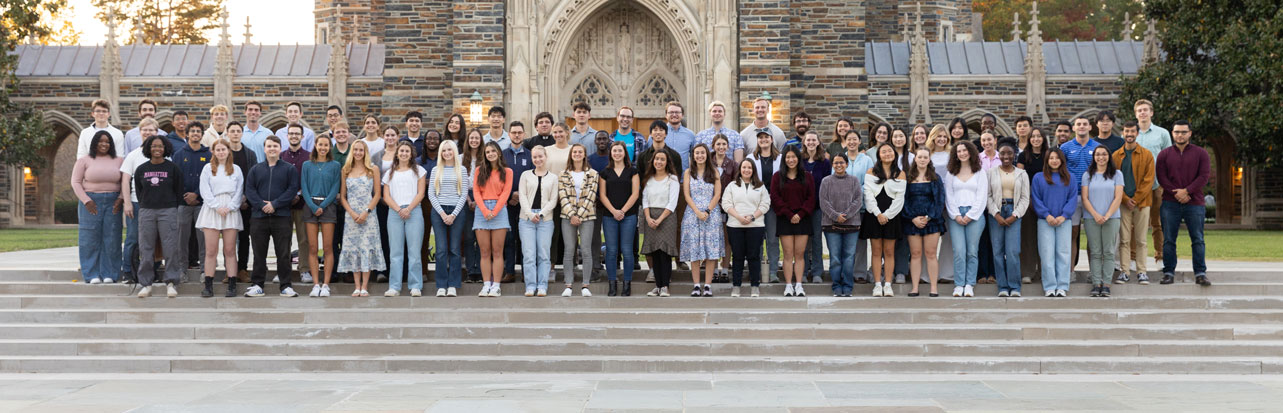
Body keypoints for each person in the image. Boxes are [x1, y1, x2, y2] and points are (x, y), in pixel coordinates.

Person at [244, 136, 301, 298]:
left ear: (280, 148)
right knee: (258, 253)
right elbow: (250, 191)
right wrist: (263, 205)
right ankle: (257, 285)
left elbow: (291, 190)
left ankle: (285, 286)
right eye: (269, 146)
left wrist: (275, 204)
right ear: (264, 149)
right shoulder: (255, 169)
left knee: (283, 253)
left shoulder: (289, 169)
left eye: (275, 146)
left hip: (281, 216)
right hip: (259, 217)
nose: (272, 149)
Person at [1156, 120, 1210, 286]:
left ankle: (1200, 273)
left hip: (1195, 203)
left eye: (1183, 132)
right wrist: (1177, 193)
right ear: (1172, 133)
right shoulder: (1164, 154)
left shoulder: (1201, 153)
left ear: (1190, 133)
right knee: (1169, 240)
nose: (1180, 135)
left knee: (1198, 239)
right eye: (1177, 132)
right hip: (1169, 203)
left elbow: (1204, 176)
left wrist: (1187, 191)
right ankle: (1168, 272)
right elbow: (1161, 177)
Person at [133, 135, 185, 298]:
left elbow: (179, 191)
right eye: (154, 146)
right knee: (146, 248)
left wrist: (171, 207)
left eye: (160, 146)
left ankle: (171, 282)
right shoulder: (141, 169)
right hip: (147, 211)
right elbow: (140, 191)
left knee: (170, 248)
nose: (157, 149)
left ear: (165, 148)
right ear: (148, 148)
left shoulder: (173, 168)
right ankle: (146, 284)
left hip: (168, 210)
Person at [72, 131, 124, 285]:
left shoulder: (119, 161)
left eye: (107, 142)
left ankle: (110, 273)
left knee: (112, 237)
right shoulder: (84, 161)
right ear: (94, 143)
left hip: (113, 201)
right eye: (101, 141)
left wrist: (120, 198)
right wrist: (86, 200)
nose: (104, 144)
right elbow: (75, 182)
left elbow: (125, 181)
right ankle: (91, 274)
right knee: (89, 238)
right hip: (90, 202)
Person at [195, 139, 243, 297]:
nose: (221, 152)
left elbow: (239, 191)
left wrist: (230, 207)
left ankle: (232, 284)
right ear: (214, 152)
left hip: (230, 210)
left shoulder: (236, 169)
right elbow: (205, 190)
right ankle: (208, 285)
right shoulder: (207, 169)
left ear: (229, 151)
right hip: (212, 210)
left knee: (229, 250)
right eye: (218, 150)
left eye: (224, 149)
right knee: (211, 250)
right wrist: (216, 206)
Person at [336, 140, 385, 297]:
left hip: (369, 216)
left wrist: (366, 212)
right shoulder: (346, 170)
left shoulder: (373, 169)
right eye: (355, 150)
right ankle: (356, 286)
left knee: (366, 248)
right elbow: (343, 196)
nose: (358, 152)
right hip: (351, 217)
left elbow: (377, 194)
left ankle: (365, 286)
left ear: (365, 152)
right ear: (352, 151)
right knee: (354, 249)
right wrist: (351, 212)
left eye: (361, 150)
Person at [423, 140, 469, 297]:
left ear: (454, 151)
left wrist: (454, 214)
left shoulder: (461, 169)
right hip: (439, 211)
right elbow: (431, 193)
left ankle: (453, 285)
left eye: (450, 150)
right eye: (444, 150)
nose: (447, 153)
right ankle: (441, 285)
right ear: (441, 153)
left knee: (454, 249)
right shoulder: (437, 169)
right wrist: (443, 214)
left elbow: (463, 194)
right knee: (441, 250)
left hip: (457, 211)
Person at [1112, 120, 1155, 285]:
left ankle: (1142, 271)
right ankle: (1124, 271)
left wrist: (1135, 199)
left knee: (1141, 239)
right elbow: (1114, 180)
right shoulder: (1116, 156)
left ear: (1137, 133)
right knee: (1123, 239)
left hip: (1142, 204)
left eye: (1132, 132)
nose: (1129, 135)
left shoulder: (1147, 155)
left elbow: (1148, 180)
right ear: (1123, 134)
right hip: (1123, 204)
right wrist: (1124, 199)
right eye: (1126, 132)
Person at [382, 141, 427, 297]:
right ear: (397, 153)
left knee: (414, 252)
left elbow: (421, 193)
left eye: (407, 151)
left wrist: (408, 209)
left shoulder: (419, 171)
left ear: (411, 153)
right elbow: (386, 196)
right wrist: (399, 209)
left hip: (413, 211)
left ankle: (415, 285)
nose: (404, 153)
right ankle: (394, 286)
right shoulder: (389, 173)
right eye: (401, 151)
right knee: (395, 252)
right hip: (395, 212)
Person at [986, 139, 1030, 297]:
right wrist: (996, 214)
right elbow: (988, 196)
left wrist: (1015, 215)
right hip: (996, 212)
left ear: (1014, 155)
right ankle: (1003, 287)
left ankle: (1015, 287)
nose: (1006, 156)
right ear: (999, 154)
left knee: (1012, 251)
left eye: (1009, 153)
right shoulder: (991, 173)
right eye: (1003, 153)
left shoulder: (1022, 174)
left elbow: (1025, 198)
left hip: (1014, 211)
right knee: (998, 251)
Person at [863, 143, 907, 297]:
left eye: (890, 151)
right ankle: (877, 284)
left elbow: (899, 200)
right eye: (884, 151)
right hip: (874, 215)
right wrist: (877, 213)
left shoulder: (900, 174)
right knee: (876, 251)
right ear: (879, 155)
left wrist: (887, 215)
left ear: (894, 154)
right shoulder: (871, 172)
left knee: (889, 251)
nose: (887, 153)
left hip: (892, 217)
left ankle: (888, 284)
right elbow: (867, 195)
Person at [944, 141, 988, 297]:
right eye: (959, 151)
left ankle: (969, 284)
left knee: (972, 252)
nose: (962, 153)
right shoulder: (951, 173)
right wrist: (956, 215)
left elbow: (982, 197)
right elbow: (948, 196)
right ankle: (959, 284)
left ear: (971, 152)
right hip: (955, 215)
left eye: (964, 150)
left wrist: (970, 215)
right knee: (959, 252)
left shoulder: (980, 172)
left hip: (974, 216)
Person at [119, 118, 161, 283]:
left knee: (155, 239)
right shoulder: (133, 155)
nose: (148, 133)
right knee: (133, 238)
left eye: (151, 130)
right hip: (137, 203)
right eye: (145, 130)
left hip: (158, 205)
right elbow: (125, 180)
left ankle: (153, 273)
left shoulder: (164, 154)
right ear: (140, 132)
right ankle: (128, 272)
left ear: (156, 133)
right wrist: (127, 202)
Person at [680, 143, 724, 297]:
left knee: (711, 251)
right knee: (695, 250)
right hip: (692, 214)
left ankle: (708, 285)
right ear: (693, 156)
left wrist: (707, 211)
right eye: (697, 153)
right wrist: (697, 212)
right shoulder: (688, 173)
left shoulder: (714, 172)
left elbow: (717, 194)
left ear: (707, 155)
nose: (699, 156)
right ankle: (696, 285)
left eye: (702, 153)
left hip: (711, 214)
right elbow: (686, 195)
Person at [771, 146, 816, 297]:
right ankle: (788, 285)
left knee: (800, 254)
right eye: (788, 157)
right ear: (784, 159)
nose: (791, 160)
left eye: (793, 157)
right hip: (785, 219)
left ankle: (799, 285)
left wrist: (801, 213)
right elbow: (775, 197)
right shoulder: (777, 176)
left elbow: (811, 198)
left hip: (803, 219)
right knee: (788, 254)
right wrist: (789, 214)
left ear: (798, 158)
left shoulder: (807, 176)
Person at [723, 159, 771, 298]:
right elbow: (726, 203)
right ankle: (736, 286)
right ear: (740, 169)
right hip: (735, 225)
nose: (746, 170)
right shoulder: (732, 186)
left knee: (753, 256)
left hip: (755, 226)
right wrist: (739, 217)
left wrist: (752, 217)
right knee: (737, 256)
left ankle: (755, 286)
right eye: (744, 167)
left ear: (753, 170)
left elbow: (765, 204)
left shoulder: (760, 186)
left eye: (749, 168)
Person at [1033, 148, 1077, 297]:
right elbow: (1036, 198)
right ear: (1047, 160)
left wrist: (1064, 215)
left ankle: (1062, 286)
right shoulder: (1039, 178)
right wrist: (1047, 215)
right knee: (1047, 254)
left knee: (1063, 253)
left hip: (1064, 221)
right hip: (1045, 221)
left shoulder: (1070, 178)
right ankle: (1050, 286)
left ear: (1062, 160)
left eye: (1057, 158)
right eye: (1051, 158)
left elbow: (1073, 199)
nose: (1054, 160)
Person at [300, 136, 341, 297]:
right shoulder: (307, 165)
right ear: (315, 146)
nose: (323, 148)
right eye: (320, 145)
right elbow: (304, 186)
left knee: (328, 247)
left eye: (326, 145)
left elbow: (335, 187)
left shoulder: (335, 165)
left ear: (329, 147)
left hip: (328, 206)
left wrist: (322, 206)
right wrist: (312, 205)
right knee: (312, 247)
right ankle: (316, 284)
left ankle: (326, 284)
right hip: (310, 206)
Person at [557, 144, 600, 297]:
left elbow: (591, 196)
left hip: (587, 216)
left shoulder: (593, 174)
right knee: (569, 250)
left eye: (579, 152)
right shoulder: (563, 174)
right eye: (574, 152)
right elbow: (562, 195)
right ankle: (568, 284)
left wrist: (580, 216)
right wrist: (572, 215)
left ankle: (585, 285)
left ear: (584, 155)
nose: (577, 154)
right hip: (567, 216)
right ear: (571, 154)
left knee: (586, 250)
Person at [903, 147, 947, 297]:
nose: (922, 159)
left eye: (925, 157)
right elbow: (904, 200)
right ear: (915, 159)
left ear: (929, 159)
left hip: (932, 221)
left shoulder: (935, 178)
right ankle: (915, 287)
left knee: (931, 253)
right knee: (915, 254)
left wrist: (929, 217)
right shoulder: (908, 178)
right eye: (919, 157)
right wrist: (913, 218)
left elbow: (940, 201)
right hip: (912, 221)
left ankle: (933, 287)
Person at [1081, 145, 1124, 297]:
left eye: (1104, 154)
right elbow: (1085, 198)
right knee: (1096, 252)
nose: (1101, 157)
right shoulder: (1088, 175)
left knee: (1109, 251)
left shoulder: (1117, 174)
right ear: (1094, 157)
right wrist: (1095, 215)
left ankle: (1106, 284)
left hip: (1111, 218)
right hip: (1091, 218)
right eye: (1098, 154)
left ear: (1108, 156)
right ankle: (1096, 283)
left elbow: (1118, 197)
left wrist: (1106, 215)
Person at [473, 142, 514, 297]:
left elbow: (506, 192)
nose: (490, 154)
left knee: (497, 251)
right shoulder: (479, 171)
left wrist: (494, 211)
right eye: (487, 152)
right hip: (481, 210)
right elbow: (476, 192)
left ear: (498, 152)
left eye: (493, 151)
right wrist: (484, 210)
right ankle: (486, 285)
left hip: (499, 210)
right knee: (484, 251)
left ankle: (496, 286)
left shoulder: (507, 171)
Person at [599, 142, 639, 296]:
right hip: (609, 216)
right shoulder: (605, 173)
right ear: (611, 153)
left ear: (624, 153)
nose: (617, 153)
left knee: (627, 250)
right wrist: (614, 211)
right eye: (614, 151)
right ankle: (612, 283)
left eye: (619, 151)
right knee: (611, 251)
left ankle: (627, 283)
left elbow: (635, 194)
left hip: (628, 215)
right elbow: (602, 195)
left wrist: (622, 211)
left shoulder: (632, 172)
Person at [1133, 99, 1172, 263]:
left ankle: (1160, 257)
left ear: (1151, 112)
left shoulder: (1162, 133)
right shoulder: (1129, 134)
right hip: (1135, 187)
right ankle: (1132, 258)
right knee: (1134, 224)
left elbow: (1169, 159)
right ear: (1136, 114)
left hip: (1157, 185)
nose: (1142, 113)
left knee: (1158, 223)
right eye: (1139, 110)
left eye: (1145, 110)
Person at [818, 154, 862, 297]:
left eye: (841, 162)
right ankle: (836, 285)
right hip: (831, 225)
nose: (838, 165)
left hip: (852, 225)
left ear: (847, 164)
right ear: (832, 164)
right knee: (835, 257)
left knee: (849, 256)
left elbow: (858, 200)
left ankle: (848, 286)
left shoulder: (854, 181)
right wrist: (836, 216)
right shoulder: (826, 181)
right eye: (836, 163)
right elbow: (823, 201)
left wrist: (846, 215)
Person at [518, 146, 559, 296]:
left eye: (540, 156)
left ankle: (542, 286)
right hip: (526, 220)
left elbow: (553, 200)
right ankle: (530, 286)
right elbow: (522, 196)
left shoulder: (553, 178)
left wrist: (540, 214)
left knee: (543, 254)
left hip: (545, 220)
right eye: (534, 157)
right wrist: (530, 214)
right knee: (528, 254)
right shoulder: (525, 175)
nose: (537, 159)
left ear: (545, 156)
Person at [1062, 116, 1102, 268]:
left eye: (1085, 124)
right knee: (1072, 234)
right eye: (1078, 124)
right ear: (1073, 128)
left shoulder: (1098, 147)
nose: (1082, 126)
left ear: (1090, 127)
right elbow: (1061, 171)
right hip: (1073, 197)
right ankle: (1070, 271)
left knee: (1093, 237)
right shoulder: (1065, 148)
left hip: (1093, 197)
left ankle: (1094, 272)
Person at [641, 151, 680, 297]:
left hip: (667, 217)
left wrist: (659, 219)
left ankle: (665, 286)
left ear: (667, 162)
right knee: (655, 253)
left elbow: (673, 202)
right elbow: (644, 200)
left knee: (664, 253)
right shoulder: (648, 179)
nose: (659, 162)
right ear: (653, 161)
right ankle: (657, 286)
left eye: (662, 159)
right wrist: (648, 217)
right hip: (650, 217)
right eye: (657, 159)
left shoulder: (673, 179)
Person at [174, 122, 211, 272]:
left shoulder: (208, 155)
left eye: (198, 131)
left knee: (203, 240)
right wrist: (186, 196)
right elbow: (175, 179)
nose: (195, 133)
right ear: (187, 134)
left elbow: (210, 179)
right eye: (192, 131)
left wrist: (197, 194)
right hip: (183, 204)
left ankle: (204, 269)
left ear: (202, 135)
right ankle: (181, 269)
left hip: (202, 204)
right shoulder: (179, 154)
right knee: (182, 239)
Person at [841, 129, 877, 284]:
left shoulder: (867, 160)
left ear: (859, 141)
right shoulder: (840, 158)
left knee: (860, 241)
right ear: (845, 142)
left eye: (854, 139)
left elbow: (870, 181)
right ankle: (845, 272)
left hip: (862, 206)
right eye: (849, 139)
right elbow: (835, 179)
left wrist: (856, 194)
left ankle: (859, 273)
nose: (851, 142)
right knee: (845, 242)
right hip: (844, 207)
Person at [746, 130, 782, 282]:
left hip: (773, 204)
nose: (764, 140)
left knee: (773, 239)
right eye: (760, 138)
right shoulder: (751, 158)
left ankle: (773, 271)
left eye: (766, 137)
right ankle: (756, 271)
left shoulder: (780, 158)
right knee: (757, 239)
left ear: (772, 139)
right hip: (756, 204)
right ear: (757, 141)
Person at [281, 124, 314, 285]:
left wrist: (299, 193)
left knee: (304, 239)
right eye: (291, 133)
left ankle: (304, 269)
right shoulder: (281, 156)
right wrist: (288, 195)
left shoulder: (309, 156)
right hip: (285, 205)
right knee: (284, 238)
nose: (294, 136)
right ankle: (283, 270)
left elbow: (310, 179)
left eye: (297, 134)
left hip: (303, 204)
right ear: (287, 136)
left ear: (302, 137)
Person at [224, 122, 257, 283]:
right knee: (228, 238)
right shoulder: (222, 153)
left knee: (244, 237)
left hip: (245, 203)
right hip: (227, 203)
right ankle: (229, 270)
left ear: (242, 133)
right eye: (232, 131)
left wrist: (246, 198)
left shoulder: (249, 154)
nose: (235, 134)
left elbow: (253, 179)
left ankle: (242, 269)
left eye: (238, 131)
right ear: (227, 133)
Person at [1017, 127, 1050, 285]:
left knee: (1045, 237)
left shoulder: (1049, 155)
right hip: (1027, 202)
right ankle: (1027, 272)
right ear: (1029, 139)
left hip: (1046, 201)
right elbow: (1020, 178)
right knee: (1027, 237)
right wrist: (1027, 199)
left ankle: (1044, 271)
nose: (1036, 139)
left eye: (1039, 136)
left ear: (1043, 139)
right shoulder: (1023, 156)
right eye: (1033, 136)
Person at [502, 122, 533, 284]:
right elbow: (498, 179)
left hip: (525, 203)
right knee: (509, 237)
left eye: (519, 132)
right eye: (513, 132)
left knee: (525, 239)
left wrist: (520, 195)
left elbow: (534, 178)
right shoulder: (502, 155)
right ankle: (509, 271)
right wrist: (509, 196)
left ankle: (525, 273)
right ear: (509, 134)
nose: (516, 135)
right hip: (506, 204)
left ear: (524, 134)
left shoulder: (530, 155)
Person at [800, 131, 831, 284]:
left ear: (818, 142)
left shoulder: (825, 163)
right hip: (802, 208)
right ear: (804, 142)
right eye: (808, 140)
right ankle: (803, 271)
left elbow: (827, 186)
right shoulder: (800, 161)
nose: (811, 142)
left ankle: (817, 271)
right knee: (803, 241)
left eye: (814, 140)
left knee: (817, 240)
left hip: (818, 207)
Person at [927, 125, 956, 284]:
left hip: (949, 199)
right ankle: (927, 275)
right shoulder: (927, 154)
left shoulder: (951, 154)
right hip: (931, 200)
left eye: (945, 137)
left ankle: (946, 273)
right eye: (939, 136)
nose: (942, 139)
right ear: (933, 137)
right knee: (929, 238)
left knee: (949, 238)